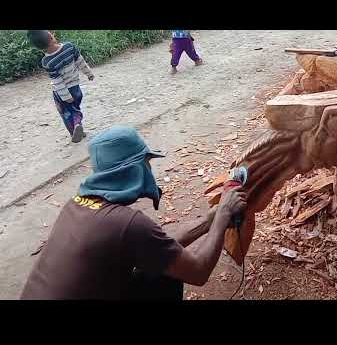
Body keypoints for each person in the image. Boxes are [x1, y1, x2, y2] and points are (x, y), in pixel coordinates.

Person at [20, 126, 246, 300]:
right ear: (134, 168)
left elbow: (156, 247)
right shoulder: (127, 223)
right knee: (164, 278)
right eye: (146, 163)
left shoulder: (76, 205)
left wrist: (208, 221)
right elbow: (198, 272)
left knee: (154, 270)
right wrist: (223, 215)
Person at [27, 30, 94, 143]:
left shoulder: (47, 61)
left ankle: (75, 130)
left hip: (61, 92)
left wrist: (65, 96)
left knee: (65, 113)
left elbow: (57, 81)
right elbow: (80, 61)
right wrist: (89, 73)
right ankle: (78, 124)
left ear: (38, 47)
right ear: (51, 36)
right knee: (75, 108)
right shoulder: (69, 47)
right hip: (75, 88)